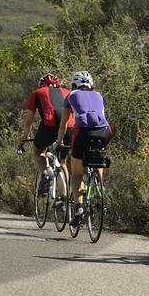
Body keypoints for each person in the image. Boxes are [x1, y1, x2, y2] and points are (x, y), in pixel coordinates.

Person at [55, 70, 111, 225]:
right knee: (97, 157)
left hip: (83, 132)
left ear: (74, 85)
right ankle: (99, 188)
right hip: (104, 131)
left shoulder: (71, 96)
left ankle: (79, 206)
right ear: (91, 85)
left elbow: (63, 125)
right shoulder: (99, 95)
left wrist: (59, 143)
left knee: (77, 173)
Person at [19, 73, 70, 184]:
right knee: (63, 162)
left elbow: (28, 122)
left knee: (38, 150)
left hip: (49, 127)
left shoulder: (37, 93)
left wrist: (25, 136)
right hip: (69, 128)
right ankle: (65, 198)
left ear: (41, 85)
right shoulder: (67, 92)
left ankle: (45, 175)